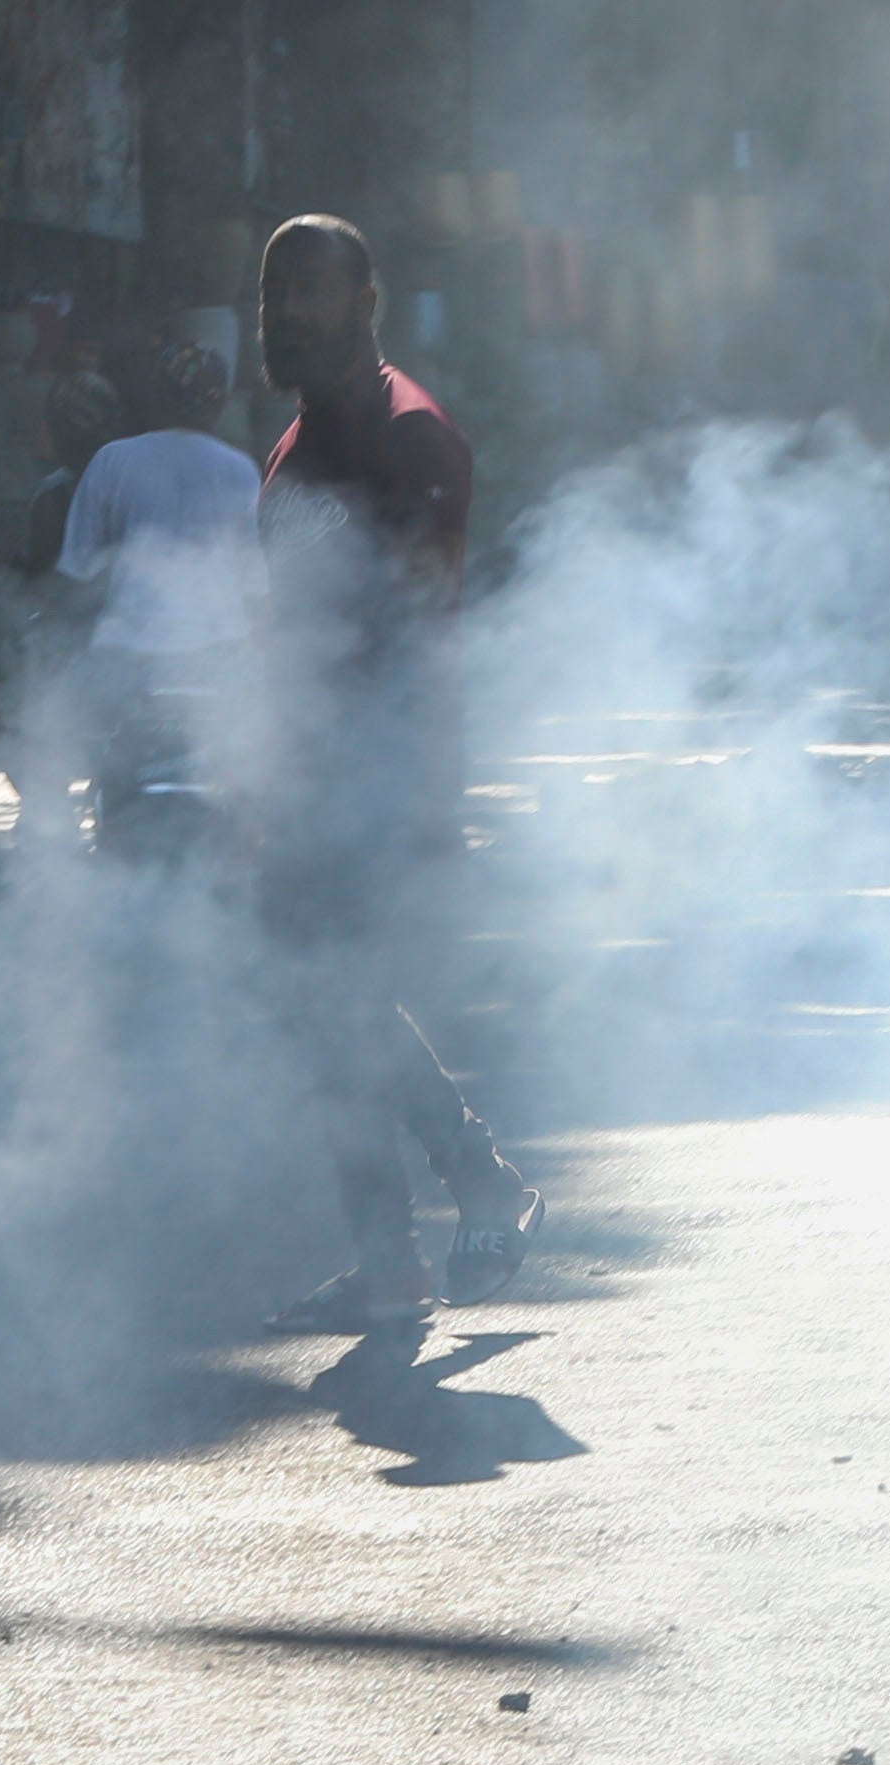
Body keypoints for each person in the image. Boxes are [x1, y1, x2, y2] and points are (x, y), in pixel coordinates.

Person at [251, 210, 532, 1331]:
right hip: (309, 778)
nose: (287, 312)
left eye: (311, 291)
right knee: (330, 1018)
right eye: (275, 292)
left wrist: (411, 798)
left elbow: (423, 634)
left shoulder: (413, 438)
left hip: (379, 780)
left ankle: (469, 1188)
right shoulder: (293, 441)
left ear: (366, 304)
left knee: (343, 1010)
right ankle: (396, 1252)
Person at [49, 338, 259, 848]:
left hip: (128, 656)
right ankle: (239, 856)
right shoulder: (240, 469)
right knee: (242, 772)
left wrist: (51, 628)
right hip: (218, 656)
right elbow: (254, 589)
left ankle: (84, 831)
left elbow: (74, 574)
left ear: (154, 398)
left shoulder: (113, 461)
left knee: (93, 754)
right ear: (220, 400)